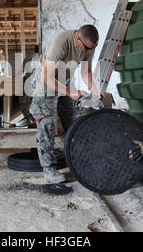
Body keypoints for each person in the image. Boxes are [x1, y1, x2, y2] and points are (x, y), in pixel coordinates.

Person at [31, 25, 102, 184]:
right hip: (46, 83)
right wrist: (70, 92)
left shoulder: (88, 46)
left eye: (92, 49)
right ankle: (49, 169)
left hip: (65, 80)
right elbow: (46, 77)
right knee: (47, 125)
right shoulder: (61, 42)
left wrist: (96, 91)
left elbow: (86, 72)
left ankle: (78, 160)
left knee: (73, 121)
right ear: (78, 39)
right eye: (87, 48)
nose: (89, 52)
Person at [20, 45, 40, 126]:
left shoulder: (27, 58)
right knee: (38, 104)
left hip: (28, 84)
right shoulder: (42, 58)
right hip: (39, 85)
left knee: (24, 103)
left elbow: (24, 70)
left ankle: (29, 121)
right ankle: (36, 121)